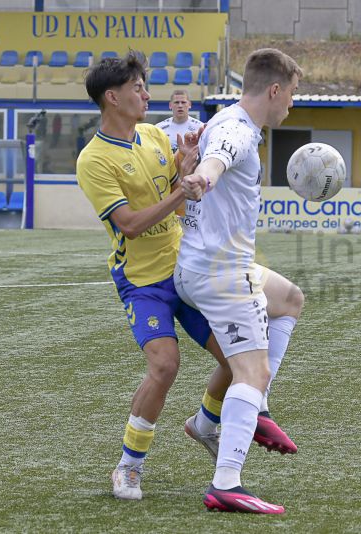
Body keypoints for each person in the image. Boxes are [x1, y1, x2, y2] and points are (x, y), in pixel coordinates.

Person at [76, 51, 295, 503]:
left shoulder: (154, 137)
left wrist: (186, 165)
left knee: (235, 363)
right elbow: (131, 224)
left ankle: (207, 423)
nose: (147, 95)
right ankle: (129, 467)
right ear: (112, 97)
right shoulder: (93, 160)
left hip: (185, 268)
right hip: (143, 280)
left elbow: (185, 188)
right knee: (164, 366)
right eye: (138, 88)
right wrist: (185, 184)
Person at [174, 48, 305, 514]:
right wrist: (203, 178)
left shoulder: (224, 118)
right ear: (273, 90)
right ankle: (226, 484)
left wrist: (199, 171)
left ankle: (256, 410)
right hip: (220, 274)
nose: (292, 102)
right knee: (252, 371)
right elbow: (218, 160)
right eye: (291, 93)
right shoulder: (236, 132)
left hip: (204, 264)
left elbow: (211, 152)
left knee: (289, 299)